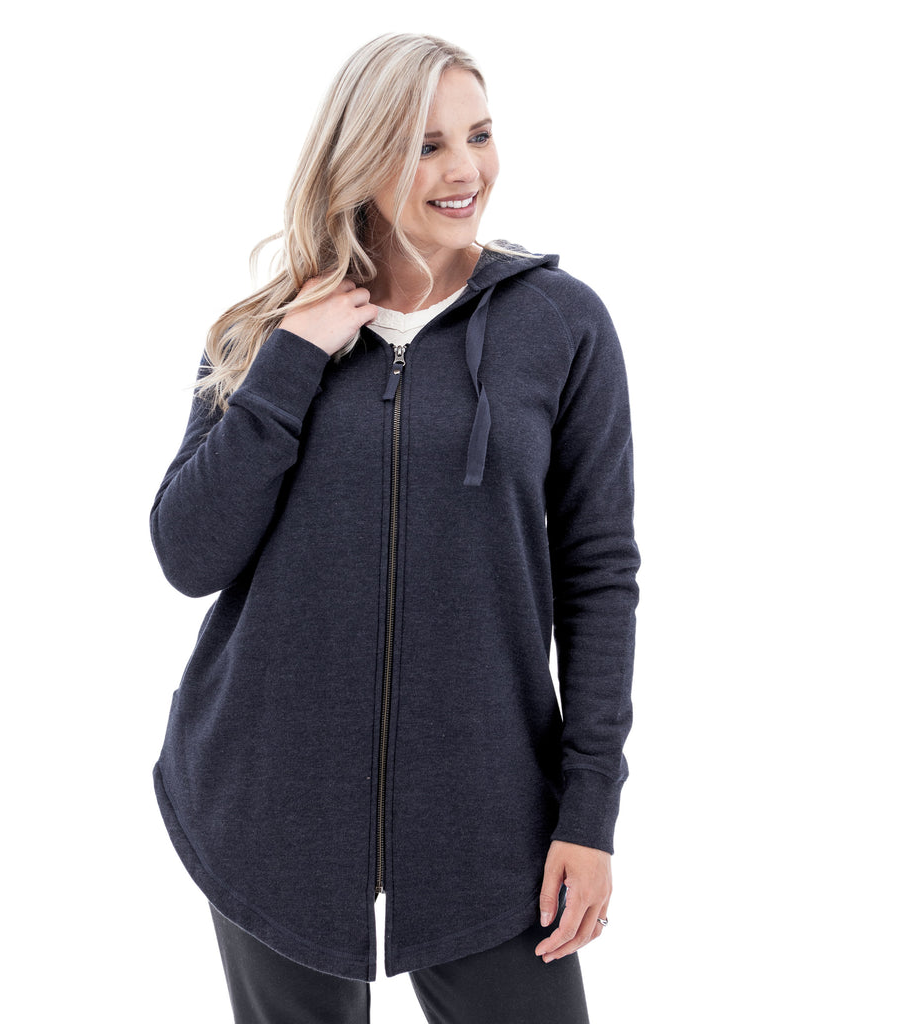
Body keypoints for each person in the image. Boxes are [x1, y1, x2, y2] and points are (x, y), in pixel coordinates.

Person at [150, 32, 640, 1024]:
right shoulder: (264, 329)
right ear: (360, 156)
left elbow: (597, 574)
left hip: (489, 813)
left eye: (479, 135)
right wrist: (292, 360)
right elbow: (188, 553)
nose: (465, 171)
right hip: (268, 802)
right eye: (425, 145)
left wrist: (589, 810)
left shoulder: (560, 323)